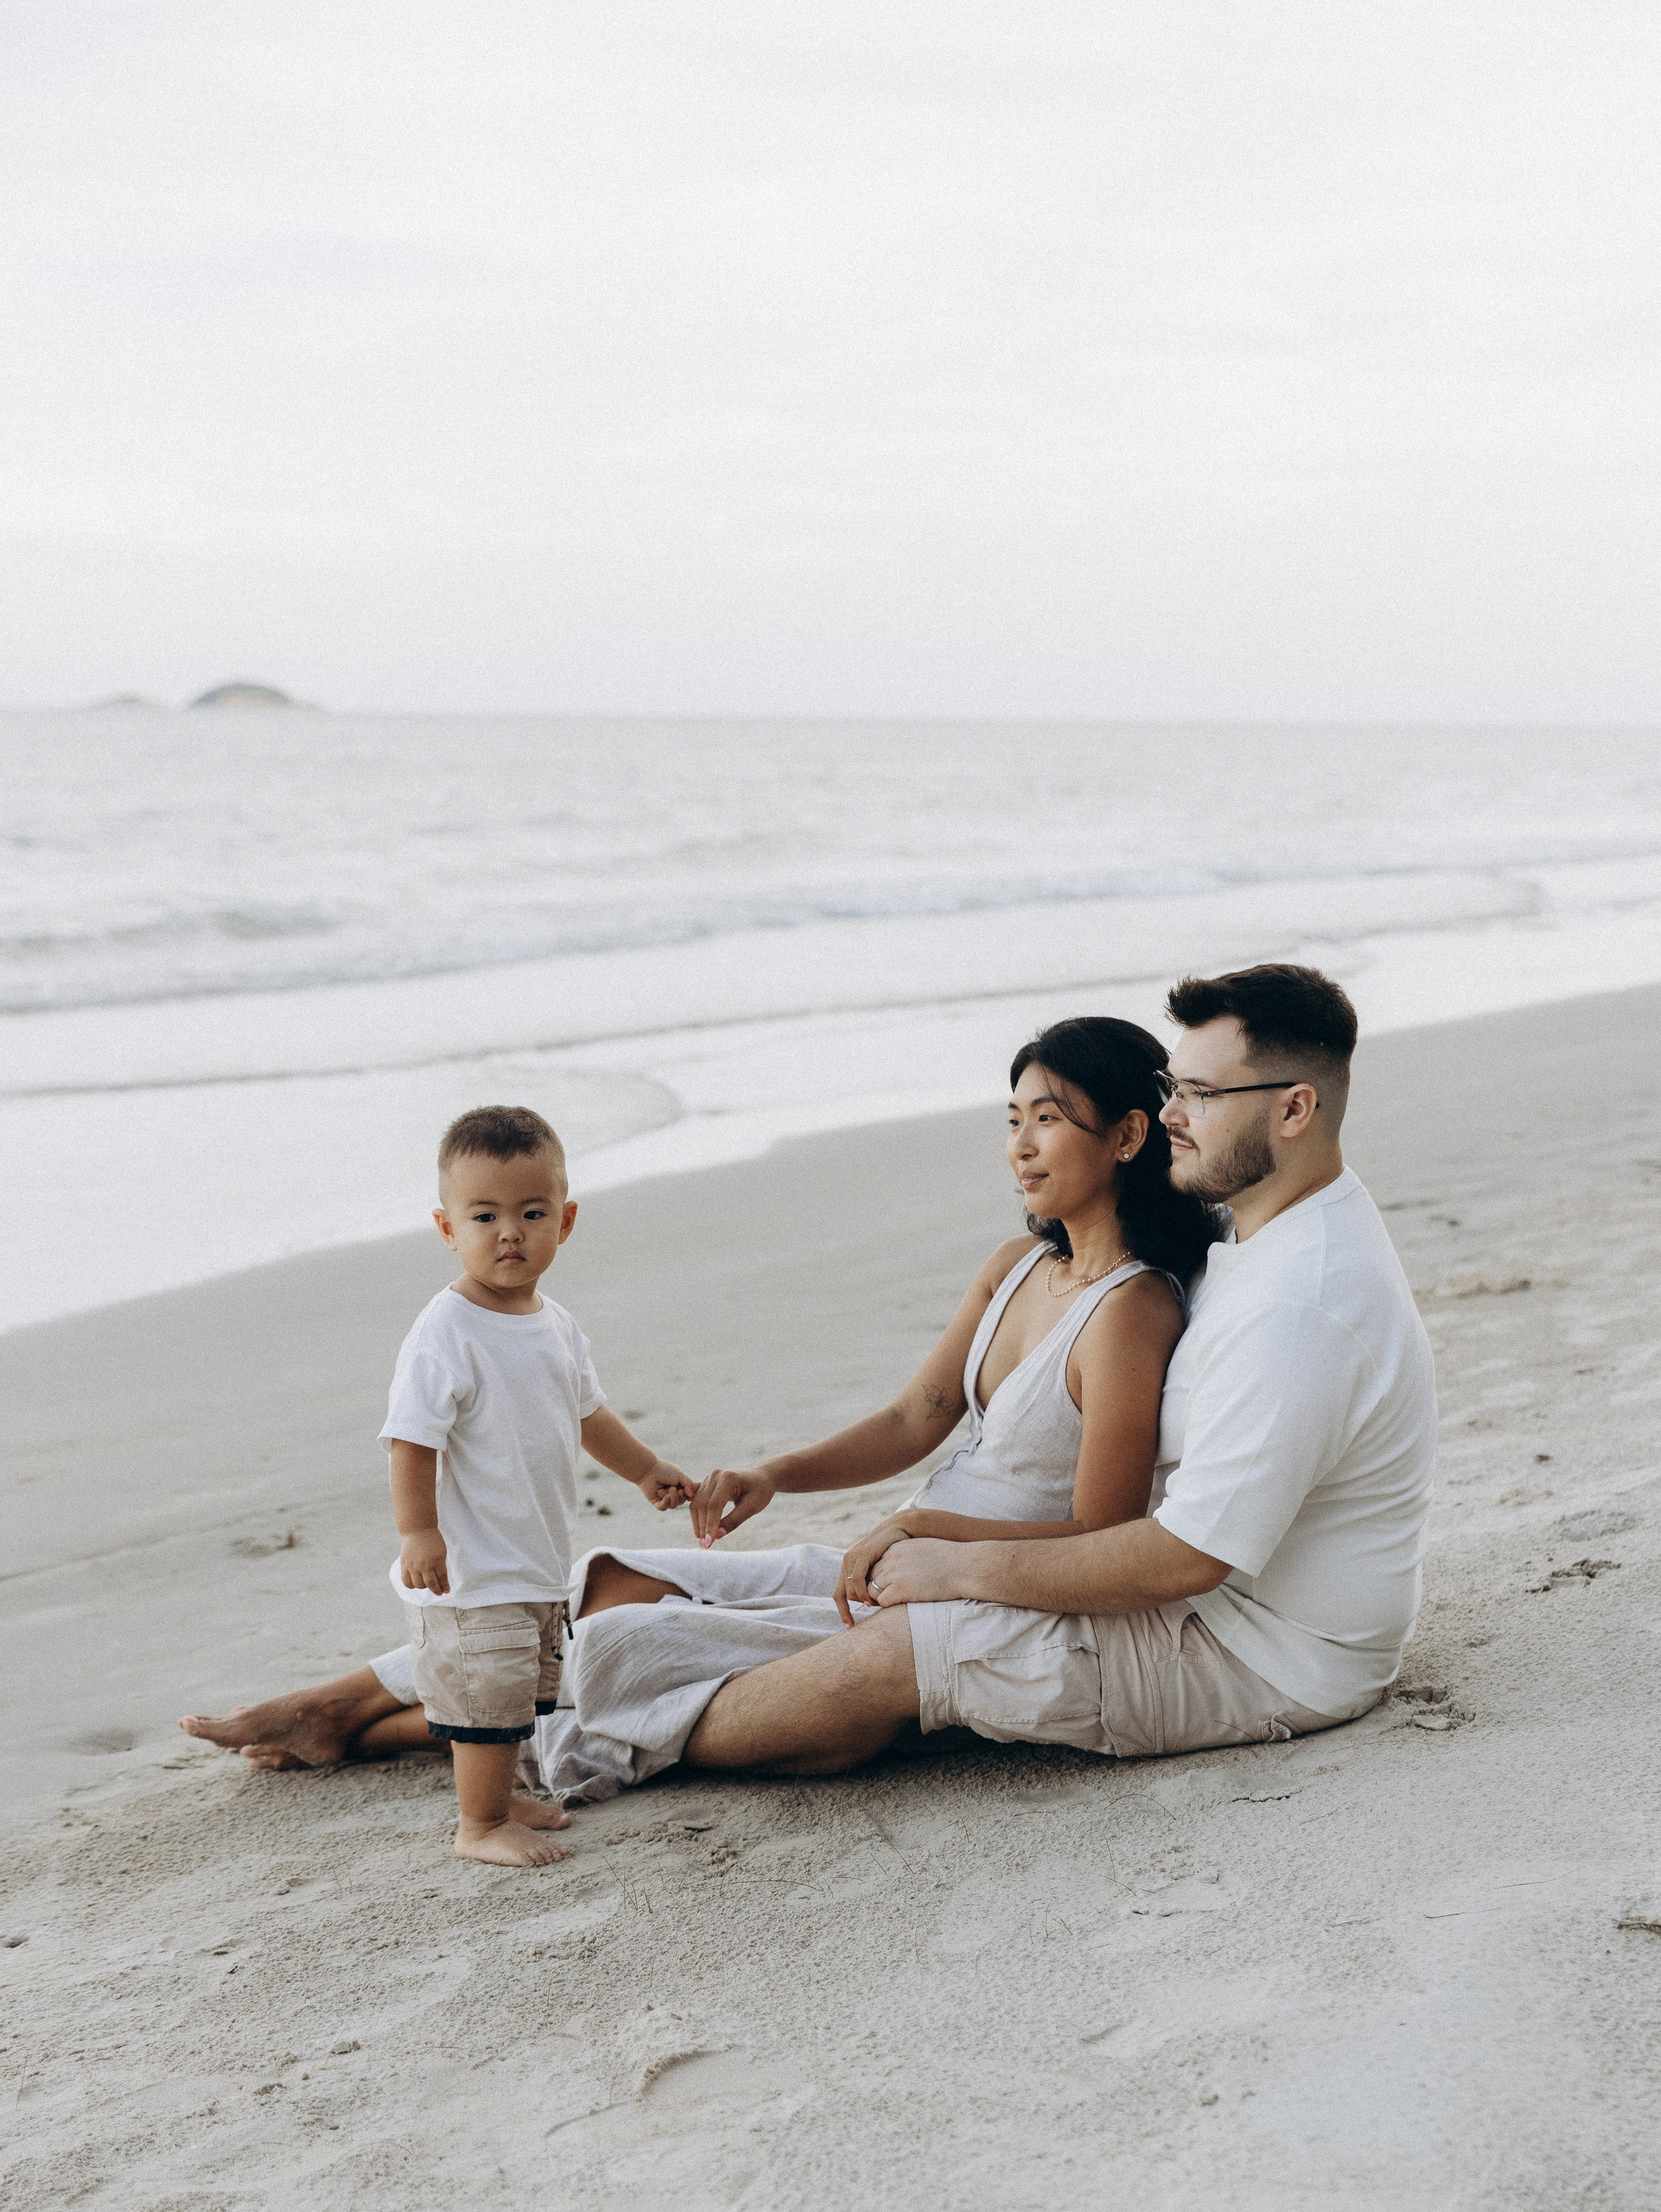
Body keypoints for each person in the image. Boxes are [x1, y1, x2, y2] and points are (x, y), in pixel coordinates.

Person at [180, 1015, 1215, 1786]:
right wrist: (776, 1474)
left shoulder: (1131, 1313)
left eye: (1049, 1121)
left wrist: (923, 1529)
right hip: (900, 1558)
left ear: (1127, 1136)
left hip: (970, 1587)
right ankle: (337, 1703)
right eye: (1014, 1120)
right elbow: (915, 1419)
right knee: (606, 1581)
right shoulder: (1016, 1266)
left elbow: (1102, 1535)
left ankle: (368, 1730)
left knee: (625, 1643)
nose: (1020, 1145)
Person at [345, 1103, 693, 1864]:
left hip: (532, 1557)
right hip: (473, 1569)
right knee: (484, 1700)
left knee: (517, 1694)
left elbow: (587, 1411)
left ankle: (501, 1798)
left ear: (564, 1221)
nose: (510, 1232)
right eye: (485, 1216)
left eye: (531, 1213)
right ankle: (478, 1824)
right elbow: (411, 1441)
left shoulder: (555, 1323)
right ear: (447, 1228)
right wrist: (418, 1531)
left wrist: (644, 1468)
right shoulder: (446, 1331)